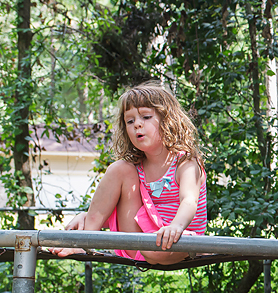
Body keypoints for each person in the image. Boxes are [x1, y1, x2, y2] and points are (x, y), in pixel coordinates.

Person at [52, 81, 207, 264]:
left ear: (168, 120)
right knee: (120, 168)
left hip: (178, 240)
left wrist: (175, 227)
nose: (137, 125)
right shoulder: (135, 169)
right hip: (143, 242)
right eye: (130, 121)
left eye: (146, 117)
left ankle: (162, 241)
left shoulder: (185, 162)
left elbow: (189, 200)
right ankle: (84, 240)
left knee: (156, 251)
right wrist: (88, 217)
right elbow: (130, 209)